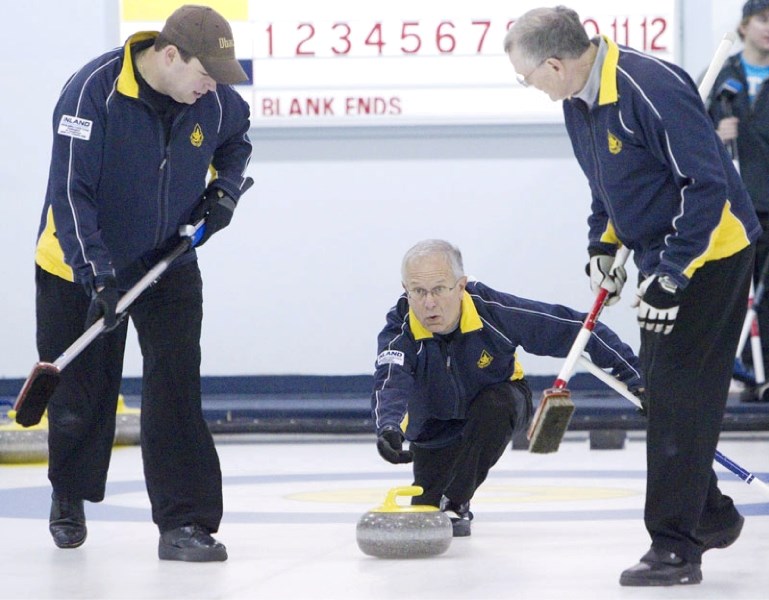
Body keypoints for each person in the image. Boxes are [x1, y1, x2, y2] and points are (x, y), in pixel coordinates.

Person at [504, 6, 760, 587]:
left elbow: (707, 186)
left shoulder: (650, 88)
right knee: (666, 393)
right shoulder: (578, 103)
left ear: (555, 63)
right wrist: (603, 243)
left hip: (711, 256)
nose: (532, 90)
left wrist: (671, 277)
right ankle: (711, 514)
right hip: (661, 256)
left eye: (528, 78)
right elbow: (609, 184)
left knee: (677, 397)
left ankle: (676, 548)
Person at [33, 5, 252, 561]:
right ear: (170, 55)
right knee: (83, 390)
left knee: (176, 387)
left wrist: (223, 190)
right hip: (78, 262)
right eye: (205, 74)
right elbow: (70, 193)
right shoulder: (91, 93)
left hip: (167, 260)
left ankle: (185, 523)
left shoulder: (215, 98)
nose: (212, 89)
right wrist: (98, 277)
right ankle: (69, 493)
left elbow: (237, 138)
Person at [371, 239, 642, 537]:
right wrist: (388, 427)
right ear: (405, 289)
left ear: (460, 286)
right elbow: (390, 379)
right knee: (426, 514)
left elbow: (581, 330)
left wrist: (637, 379)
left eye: (439, 289)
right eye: (418, 292)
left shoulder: (493, 311)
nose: (429, 303)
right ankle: (444, 496)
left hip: (498, 405)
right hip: (434, 428)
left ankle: (457, 500)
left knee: (495, 406)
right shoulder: (400, 329)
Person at [708, 0, 769, 401]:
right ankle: (742, 370)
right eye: (764, 20)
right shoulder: (722, 76)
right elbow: (688, 135)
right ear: (745, 25)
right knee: (731, 291)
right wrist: (717, 131)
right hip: (732, 206)